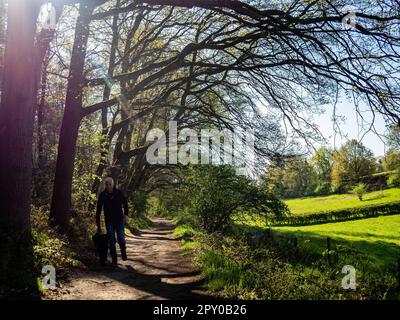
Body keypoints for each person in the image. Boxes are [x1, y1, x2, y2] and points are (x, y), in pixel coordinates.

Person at [96, 177, 129, 265]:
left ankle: (123, 251)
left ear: (113, 184)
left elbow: (125, 203)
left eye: (110, 184)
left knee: (121, 239)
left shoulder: (118, 193)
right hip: (109, 221)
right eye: (107, 184)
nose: (108, 186)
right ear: (105, 185)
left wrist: (126, 214)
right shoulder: (102, 195)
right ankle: (114, 260)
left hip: (119, 220)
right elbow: (98, 209)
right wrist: (97, 221)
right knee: (111, 240)